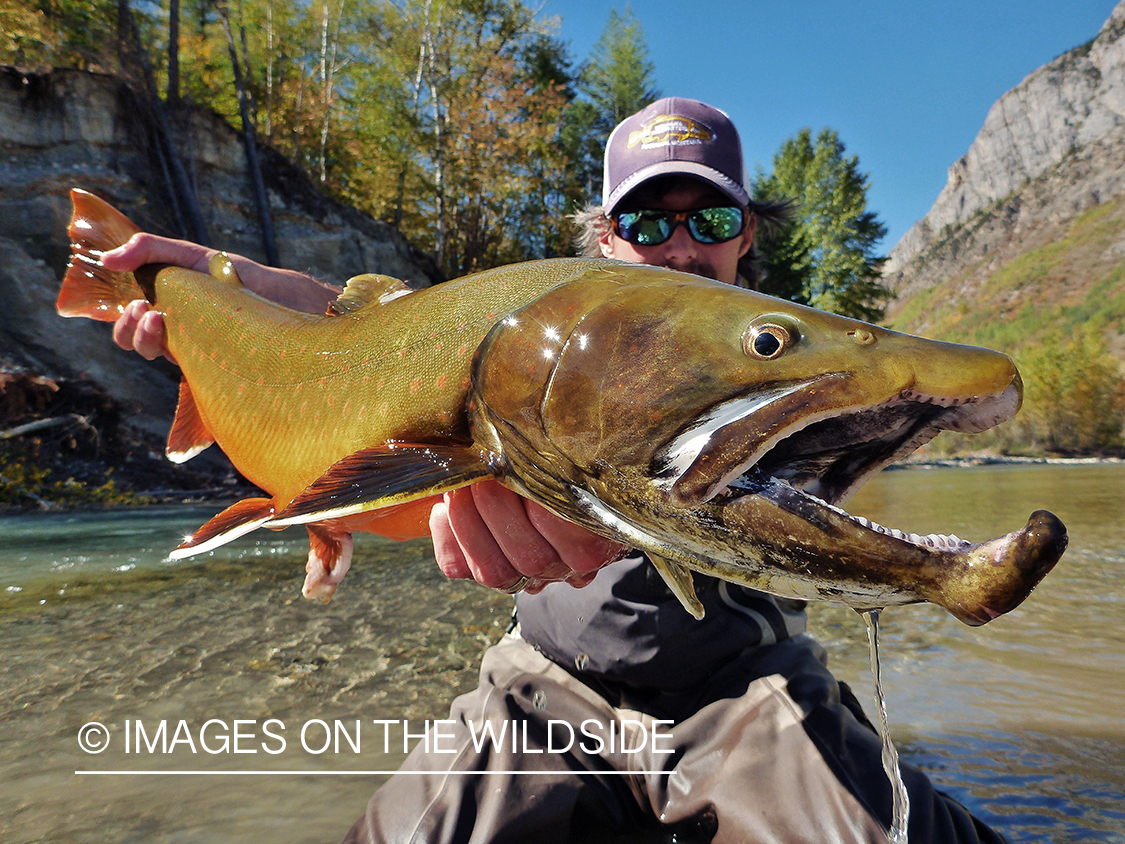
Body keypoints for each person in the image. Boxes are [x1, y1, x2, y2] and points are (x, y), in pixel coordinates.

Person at [109, 98, 1009, 843]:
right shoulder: (538, 331)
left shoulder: (806, 372)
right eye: (647, 220)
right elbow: (390, 337)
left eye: (712, 219)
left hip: (747, 692)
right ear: (606, 240)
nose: (681, 245)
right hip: (542, 688)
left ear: (747, 239)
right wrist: (220, 287)